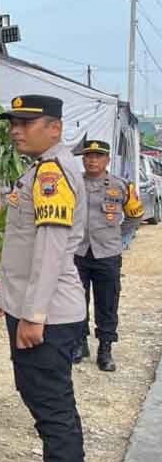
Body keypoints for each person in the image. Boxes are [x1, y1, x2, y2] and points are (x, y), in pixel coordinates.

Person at [0, 95, 88, 462]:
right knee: (49, 403)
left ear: (55, 128)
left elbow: (51, 248)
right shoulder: (40, 170)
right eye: (14, 122)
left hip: (45, 314)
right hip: (39, 308)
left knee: (52, 408)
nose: (16, 129)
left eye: (26, 122)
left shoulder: (51, 173)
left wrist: (33, 316)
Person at [73, 139, 143, 371]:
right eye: (88, 156)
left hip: (107, 254)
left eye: (98, 156)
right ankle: (79, 343)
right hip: (78, 252)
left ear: (107, 160)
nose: (93, 160)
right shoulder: (73, 184)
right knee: (75, 301)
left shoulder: (121, 185)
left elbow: (135, 215)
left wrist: (119, 238)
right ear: (83, 159)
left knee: (107, 303)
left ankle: (105, 349)